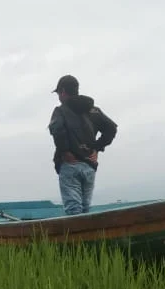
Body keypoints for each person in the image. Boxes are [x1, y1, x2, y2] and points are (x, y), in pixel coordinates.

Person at [48, 74, 118, 215]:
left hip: (70, 166)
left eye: (58, 93)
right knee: (85, 210)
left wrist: (65, 151)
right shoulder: (94, 110)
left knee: (73, 209)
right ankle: (86, 236)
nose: (59, 97)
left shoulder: (60, 111)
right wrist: (96, 149)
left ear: (62, 91)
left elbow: (57, 130)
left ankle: (77, 237)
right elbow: (111, 128)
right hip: (89, 166)